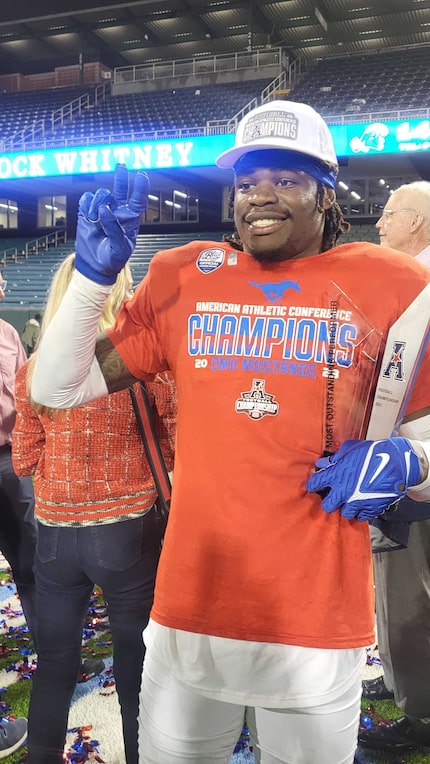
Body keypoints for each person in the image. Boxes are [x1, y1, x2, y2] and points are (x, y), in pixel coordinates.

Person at [30, 101, 430, 764]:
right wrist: (92, 281)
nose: (261, 195)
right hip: (190, 606)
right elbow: (55, 389)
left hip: (314, 618)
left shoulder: (395, 284)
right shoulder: (183, 274)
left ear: (327, 195)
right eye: (246, 182)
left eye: (286, 178)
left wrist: (409, 460)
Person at [12, 254, 177, 764]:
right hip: (129, 530)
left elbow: (23, 457)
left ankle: (40, 755)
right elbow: (173, 446)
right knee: (136, 660)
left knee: (57, 660)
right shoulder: (143, 364)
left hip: (56, 534)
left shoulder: (35, 368)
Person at [359, 181, 430, 753]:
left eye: (388, 214)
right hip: (403, 459)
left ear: (418, 222)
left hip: (416, 466)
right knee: (394, 586)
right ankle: (403, 680)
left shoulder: (421, 289)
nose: (378, 224)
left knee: (410, 590)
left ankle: (422, 712)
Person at [0, 271, 35, 758]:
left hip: (12, 462)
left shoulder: (7, 333)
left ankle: (55, 653)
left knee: (33, 563)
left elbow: (25, 395)